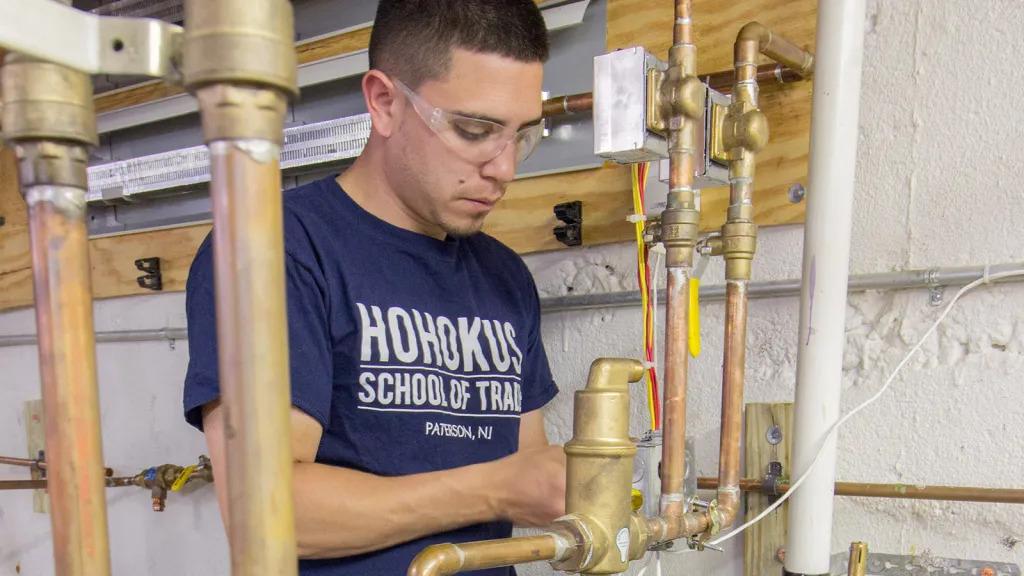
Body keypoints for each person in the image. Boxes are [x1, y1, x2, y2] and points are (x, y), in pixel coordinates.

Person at [182, 1, 566, 574]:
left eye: (522, 135)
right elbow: (264, 509)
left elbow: (526, 468)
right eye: (476, 130)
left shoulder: (503, 276)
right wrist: (493, 490)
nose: (504, 168)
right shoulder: (271, 247)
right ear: (384, 102)